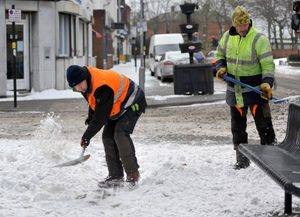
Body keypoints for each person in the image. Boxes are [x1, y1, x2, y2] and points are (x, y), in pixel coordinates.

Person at [216, 6, 276, 170]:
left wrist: (266, 83)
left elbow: (268, 65)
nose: (242, 29)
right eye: (239, 25)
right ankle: (242, 160)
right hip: (235, 94)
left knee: (264, 126)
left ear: (249, 22)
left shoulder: (259, 39)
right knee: (238, 129)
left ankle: (271, 160)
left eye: (244, 25)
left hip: (256, 93)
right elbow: (219, 56)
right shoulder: (227, 37)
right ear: (234, 24)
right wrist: (221, 68)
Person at [66, 65, 147, 187]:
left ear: (84, 77)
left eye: (80, 84)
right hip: (116, 104)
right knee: (107, 136)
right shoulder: (85, 84)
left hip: (132, 101)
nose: (79, 88)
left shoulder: (101, 86)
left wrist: (87, 136)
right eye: (75, 86)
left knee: (120, 134)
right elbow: (94, 100)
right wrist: (91, 116)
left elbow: (100, 118)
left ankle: (132, 173)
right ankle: (115, 175)